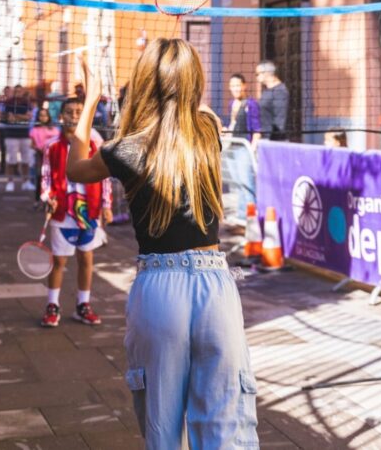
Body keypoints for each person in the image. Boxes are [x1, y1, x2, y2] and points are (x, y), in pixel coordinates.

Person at [65, 39, 259, 448]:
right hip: (214, 287)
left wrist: (92, 98)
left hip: (159, 288)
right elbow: (195, 108)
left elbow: (75, 169)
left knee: (162, 430)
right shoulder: (207, 129)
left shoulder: (124, 148)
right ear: (192, 82)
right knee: (226, 432)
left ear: (141, 83)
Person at [39, 97, 112, 328]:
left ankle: (83, 305)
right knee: (59, 261)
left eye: (79, 111)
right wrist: (46, 196)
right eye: (69, 112)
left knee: (86, 259)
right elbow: (45, 177)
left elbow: (105, 176)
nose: (74, 115)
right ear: (61, 116)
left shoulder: (95, 141)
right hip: (62, 211)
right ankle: (53, 305)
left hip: (89, 210)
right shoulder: (52, 146)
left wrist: (106, 204)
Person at [225, 73, 261, 226]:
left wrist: (252, 148)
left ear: (244, 85)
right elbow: (233, 125)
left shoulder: (250, 104)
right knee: (238, 183)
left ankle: (252, 218)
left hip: (243, 148)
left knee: (247, 183)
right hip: (232, 147)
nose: (235, 88)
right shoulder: (232, 104)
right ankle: (241, 215)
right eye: (232, 86)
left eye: (238, 85)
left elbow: (257, 129)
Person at [4, 85, 35, 193]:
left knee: (26, 160)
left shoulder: (26, 103)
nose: (18, 92)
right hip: (11, 134)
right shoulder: (9, 102)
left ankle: (26, 182)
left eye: (19, 91)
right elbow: (9, 118)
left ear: (22, 92)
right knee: (11, 160)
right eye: (16, 91)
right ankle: (10, 182)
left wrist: (16, 116)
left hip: (24, 134)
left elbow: (29, 117)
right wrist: (22, 117)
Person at [29, 107, 60, 205]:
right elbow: (32, 144)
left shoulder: (55, 130)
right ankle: (38, 200)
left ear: (48, 117)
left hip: (53, 156)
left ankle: (53, 198)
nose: (43, 117)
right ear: (38, 117)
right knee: (39, 176)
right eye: (41, 115)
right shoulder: (34, 130)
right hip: (40, 155)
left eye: (45, 115)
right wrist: (40, 149)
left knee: (53, 176)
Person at [256, 60, 289, 141]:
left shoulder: (280, 91)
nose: (256, 77)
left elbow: (280, 121)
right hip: (265, 138)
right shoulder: (266, 91)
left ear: (266, 73)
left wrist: (273, 140)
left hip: (274, 140)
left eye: (257, 74)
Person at [0, 86, 12, 176]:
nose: (7, 93)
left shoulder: (14, 102)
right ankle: (2, 169)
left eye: (9, 92)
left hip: (11, 128)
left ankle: (14, 170)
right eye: (6, 92)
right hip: (2, 127)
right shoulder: (1, 103)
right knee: (3, 149)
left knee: (12, 149)